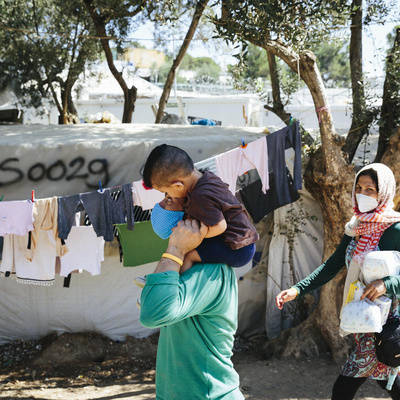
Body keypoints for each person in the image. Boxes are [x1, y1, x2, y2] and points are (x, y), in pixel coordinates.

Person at [276, 163, 400, 400]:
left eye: (370, 189)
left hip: (387, 322)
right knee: (387, 377)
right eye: (359, 188)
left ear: (383, 191)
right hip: (364, 318)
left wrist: (386, 284)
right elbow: (332, 265)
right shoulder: (356, 228)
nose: (362, 194)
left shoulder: (395, 229)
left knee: (346, 386)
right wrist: (296, 289)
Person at [140, 218, 245, 400]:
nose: (162, 204)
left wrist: (175, 249)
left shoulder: (210, 272)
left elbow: (151, 313)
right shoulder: (190, 268)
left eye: (170, 198)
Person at [135, 143, 259, 288]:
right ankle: (160, 277)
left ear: (178, 186)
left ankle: (169, 287)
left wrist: (197, 235)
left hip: (238, 248)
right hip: (240, 241)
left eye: (167, 193)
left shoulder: (200, 197)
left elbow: (220, 225)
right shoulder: (207, 177)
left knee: (188, 253)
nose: (168, 197)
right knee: (180, 244)